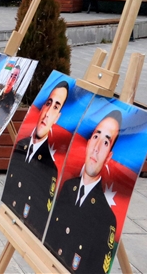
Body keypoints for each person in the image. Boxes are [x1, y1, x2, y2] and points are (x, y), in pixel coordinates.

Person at [45, 110, 120, 273]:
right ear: (88, 143)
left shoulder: (106, 218)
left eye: (105, 143)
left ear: (109, 157)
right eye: (96, 136)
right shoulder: (67, 188)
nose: (97, 148)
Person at [1, 80, 70, 237]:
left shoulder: (49, 167)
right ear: (42, 107)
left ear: (57, 117)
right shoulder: (21, 145)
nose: (47, 113)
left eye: (56, 107)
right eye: (48, 103)